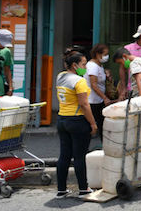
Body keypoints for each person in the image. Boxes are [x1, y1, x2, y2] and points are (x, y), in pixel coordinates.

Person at [55, 50, 98, 199]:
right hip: (77, 121)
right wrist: (93, 124)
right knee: (79, 156)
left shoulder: (60, 77)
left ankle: (61, 190)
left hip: (62, 119)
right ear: (75, 65)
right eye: (84, 64)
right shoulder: (79, 81)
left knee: (64, 156)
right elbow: (84, 105)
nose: (85, 68)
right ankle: (83, 189)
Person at [86, 43, 115, 142]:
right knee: (92, 125)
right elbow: (94, 84)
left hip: (98, 100)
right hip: (92, 100)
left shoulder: (99, 66)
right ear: (98, 54)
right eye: (105, 54)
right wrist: (105, 98)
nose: (107, 56)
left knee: (102, 124)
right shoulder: (92, 66)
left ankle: (104, 145)